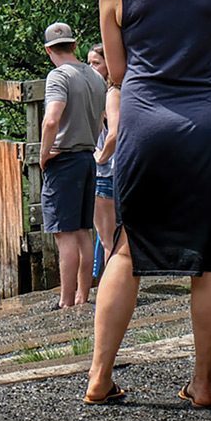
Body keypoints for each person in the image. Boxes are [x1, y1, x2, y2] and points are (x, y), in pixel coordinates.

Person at [86, 0, 211, 409]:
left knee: (127, 248)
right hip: (209, 126)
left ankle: (99, 377)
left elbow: (119, 73)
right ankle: (202, 383)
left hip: (145, 125)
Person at [39, 22, 106, 308]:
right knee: (83, 230)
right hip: (87, 158)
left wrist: (43, 154)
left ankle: (65, 301)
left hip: (64, 158)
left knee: (64, 233)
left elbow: (52, 118)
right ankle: (82, 295)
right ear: (75, 45)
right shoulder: (95, 76)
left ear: (48, 50)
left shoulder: (58, 76)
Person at [87, 43, 119, 282]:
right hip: (118, 172)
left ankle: (110, 289)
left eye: (96, 63)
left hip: (106, 173)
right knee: (108, 235)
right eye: (88, 63)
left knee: (107, 237)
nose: (91, 68)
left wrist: (101, 157)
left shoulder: (111, 94)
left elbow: (114, 134)